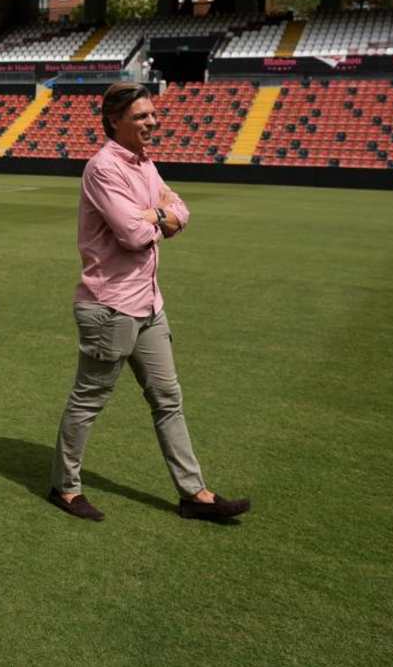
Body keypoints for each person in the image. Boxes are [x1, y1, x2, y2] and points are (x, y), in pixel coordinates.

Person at [47, 82, 249, 524]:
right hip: (110, 307)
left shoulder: (145, 163)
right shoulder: (103, 168)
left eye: (152, 115)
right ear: (114, 120)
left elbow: (181, 209)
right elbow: (135, 237)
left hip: (149, 305)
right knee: (89, 400)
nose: (151, 122)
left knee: (167, 398)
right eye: (141, 116)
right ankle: (65, 487)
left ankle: (194, 493)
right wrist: (161, 218)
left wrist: (158, 213)